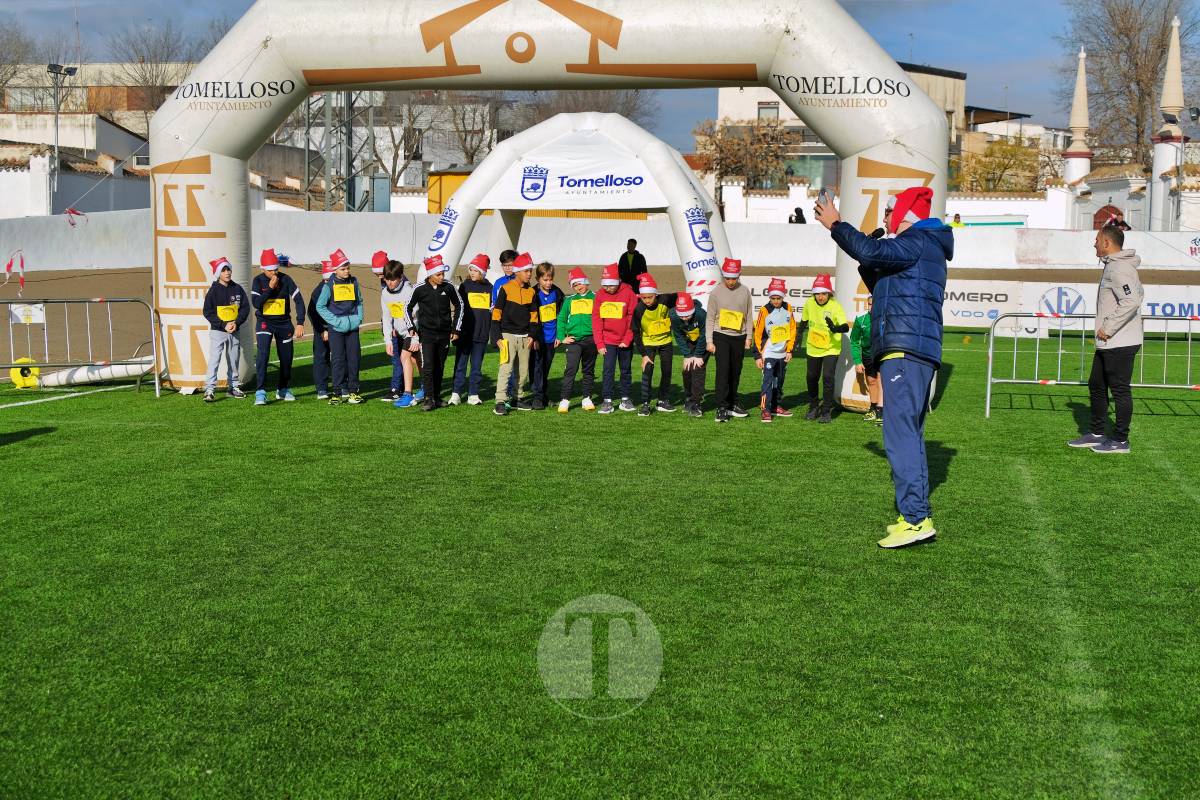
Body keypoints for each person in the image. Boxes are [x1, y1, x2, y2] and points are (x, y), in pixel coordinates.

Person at [817, 185, 950, 549]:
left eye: (889, 211)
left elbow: (872, 249)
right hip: (914, 350)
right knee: (908, 434)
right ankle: (915, 514)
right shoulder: (925, 246)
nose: (885, 219)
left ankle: (916, 519)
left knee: (900, 436)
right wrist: (866, 256)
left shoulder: (918, 240)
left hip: (905, 351)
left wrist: (836, 224)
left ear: (905, 213)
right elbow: (882, 276)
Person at [1068, 226, 1143, 454]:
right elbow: (1138, 294)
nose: (1094, 243)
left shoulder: (1119, 268)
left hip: (1119, 340)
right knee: (1096, 385)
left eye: (1097, 239)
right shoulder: (1115, 265)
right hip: (1109, 340)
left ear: (1108, 243)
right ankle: (1097, 433)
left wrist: (1108, 328)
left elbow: (1131, 301)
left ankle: (1120, 440)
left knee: (1119, 390)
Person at [250, 248, 305, 405]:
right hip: (264, 323)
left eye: (275, 269)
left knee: (286, 359)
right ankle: (260, 391)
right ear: (262, 269)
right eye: (269, 270)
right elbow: (256, 304)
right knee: (263, 354)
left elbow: (299, 300)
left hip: (284, 324)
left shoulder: (286, 279)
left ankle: (283, 388)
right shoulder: (258, 281)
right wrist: (269, 289)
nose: (273, 273)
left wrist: (300, 322)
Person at [408, 254, 463, 410]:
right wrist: (411, 327)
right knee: (428, 366)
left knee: (440, 365)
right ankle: (428, 398)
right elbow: (407, 307)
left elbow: (460, 305)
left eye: (443, 274)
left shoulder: (448, 286)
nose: (442, 277)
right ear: (430, 274)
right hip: (427, 334)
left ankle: (437, 397)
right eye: (438, 274)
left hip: (445, 334)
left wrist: (455, 328)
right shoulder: (419, 289)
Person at [490, 252, 540, 415]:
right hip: (507, 336)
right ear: (517, 271)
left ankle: (518, 398)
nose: (529, 274)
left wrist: (532, 335)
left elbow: (534, 317)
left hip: (525, 337)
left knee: (523, 371)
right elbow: (496, 313)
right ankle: (500, 401)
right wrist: (496, 336)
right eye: (526, 271)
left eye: (530, 271)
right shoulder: (505, 288)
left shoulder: (531, 292)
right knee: (506, 368)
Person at [705, 257, 753, 422]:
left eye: (734, 278)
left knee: (735, 371)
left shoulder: (745, 291)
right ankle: (721, 407)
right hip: (721, 336)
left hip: (739, 338)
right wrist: (709, 341)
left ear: (738, 276)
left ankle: (733, 403)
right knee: (723, 371)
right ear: (723, 276)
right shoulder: (716, 292)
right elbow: (710, 318)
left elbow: (749, 315)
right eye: (728, 278)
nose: (731, 281)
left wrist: (749, 337)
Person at [316, 247, 364, 405]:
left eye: (348, 268)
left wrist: (358, 318)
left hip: (353, 328)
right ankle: (336, 393)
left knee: (354, 359)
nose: (347, 271)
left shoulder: (354, 281)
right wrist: (335, 321)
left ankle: (353, 392)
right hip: (336, 329)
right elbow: (320, 306)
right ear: (335, 269)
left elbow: (359, 301)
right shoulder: (328, 286)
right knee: (338, 360)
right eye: (343, 269)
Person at [799, 274, 849, 423]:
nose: (820, 297)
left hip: (831, 348)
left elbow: (845, 327)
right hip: (813, 347)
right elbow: (804, 321)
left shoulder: (835, 306)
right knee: (811, 377)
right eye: (818, 294)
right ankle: (814, 406)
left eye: (824, 293)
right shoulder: (809, 303)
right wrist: (798, 337)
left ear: (829, 294)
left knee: (827, 377)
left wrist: (835, 328)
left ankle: (826, 410)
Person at [200, 256, 250, 402]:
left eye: (228, 269)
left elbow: (245, 308)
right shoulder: (213, 291)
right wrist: (223, 324)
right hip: (218, 332)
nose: (227, 272)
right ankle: (209, 389)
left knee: (234, 359)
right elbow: (207, 311)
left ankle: (233, 387)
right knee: (214, 359)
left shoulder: (238, 288)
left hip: (235, 330)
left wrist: (236, 322)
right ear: (218, 273)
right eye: (224, 270)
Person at [592, 263, 637, 414]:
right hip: (608, 341)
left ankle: (625, 398)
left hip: (625, 341)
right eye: (605, 285)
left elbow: (632, 317)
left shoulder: (629, 293)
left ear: (618, 282)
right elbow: (597, 319)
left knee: (625, 370)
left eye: (611, 285)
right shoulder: (599, 295)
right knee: (608, 370)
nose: (607, 288)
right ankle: (607, 401)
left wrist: (627, 339)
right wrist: (599, 342)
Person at [632, 272, 677, 416]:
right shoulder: (639, 309)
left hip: (666, 342)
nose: (646, 300)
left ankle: (663, 401)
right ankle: (645, 404)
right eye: (643, 298)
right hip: (648, 344)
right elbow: (635, 332)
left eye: (649, 297)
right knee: (647, 372)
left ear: (656, 294)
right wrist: (644, 355)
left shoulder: (665, 299)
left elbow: (680, 296)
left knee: (667, 371)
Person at [753, 277, 797, 423]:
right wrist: (758, 355)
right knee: (768, 381)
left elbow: (792, 329)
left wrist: (790, 350)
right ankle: (765, 410)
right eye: (773, 298)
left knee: (779, 381)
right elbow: (758, 333)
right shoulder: (764, 311)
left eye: (779, 298)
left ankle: (776, 406)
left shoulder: (789, 308)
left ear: (783, 296)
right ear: (770, 297)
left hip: (783, 353)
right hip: (769, 353)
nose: (776, 301)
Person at [452, 253, 493, 406]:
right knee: (460, 365)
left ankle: (473, 394)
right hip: (465, 334)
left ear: (483, 271)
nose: (472, 272)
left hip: (481, 335)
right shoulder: (465, 286)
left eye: (476, 270)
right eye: (471, 269)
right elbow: (459, 308)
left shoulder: (490, 288)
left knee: (476, 367)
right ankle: (456, 393)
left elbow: (491, 311)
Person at [381, 259, 423, 408]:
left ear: (401, 277)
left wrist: (415, 336)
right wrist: (387, 341)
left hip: (413, 331)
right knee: (415, 359)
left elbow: (416, 314)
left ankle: (407, 394)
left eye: (394, 279)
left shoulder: (408, 291)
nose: (390, 283)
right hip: (400, 333)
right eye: (387, 279)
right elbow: (386, 318)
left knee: (405, 357)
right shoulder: (385, 293)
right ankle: (426, 387)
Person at [555, 267, 597, 413]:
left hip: (591, 340)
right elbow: (561, 319)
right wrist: (561, 337)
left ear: (586, 282)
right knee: (571, 370)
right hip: (573, 341)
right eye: (574, 285)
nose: (578, 287)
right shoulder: (569, 300)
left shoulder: (596, 298)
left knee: (588, 370)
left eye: (580, 283)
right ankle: (565, 399)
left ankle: (587, 398)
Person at [530, 261, 565, 411]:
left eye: (551, 279)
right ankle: (537, 397)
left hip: (552, 338)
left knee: (545, 367)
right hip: (538, 338)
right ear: (538, 279)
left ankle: (543, 395)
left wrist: (560, 335)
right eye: (545, 279)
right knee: (536, 367)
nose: (549, 283)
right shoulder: (532, 293)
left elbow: (562, 316)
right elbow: (530, 318)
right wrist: (535, 337)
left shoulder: (558, 293)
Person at [671, 292, 708, 418]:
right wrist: (687, 355)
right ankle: (688, 398)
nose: (685, 318)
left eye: (687, 315)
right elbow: (678, 336)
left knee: (697, 369)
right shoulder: (673, 316)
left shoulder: (701, 314)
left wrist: (698, 355)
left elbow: (705, 335)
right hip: (689, 343)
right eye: (682, 315)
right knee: (687, 370)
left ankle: (697, 403)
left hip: (704, 343)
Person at [851, 294, 884, 425]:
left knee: (882, 381)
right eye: (870, 304)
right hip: (868, 355)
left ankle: (882, 411)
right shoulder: (860, 320)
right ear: (867, 305)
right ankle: (874, 408)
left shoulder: (885, 319)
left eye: (875, 304)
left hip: (882, 354)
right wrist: (857, 361)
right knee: (871, 381)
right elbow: (854, 341)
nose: (872, 307)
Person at [308, 259, 336, 400]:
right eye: (325, 280)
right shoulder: (317, 292)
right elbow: (312, 313)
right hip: (323, 330)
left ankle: (342, 386)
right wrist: (321, 330)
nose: (327, 282)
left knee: (340, 357)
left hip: (337, 328)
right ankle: (322, 389)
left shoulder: (340, 288)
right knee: (321, 358)